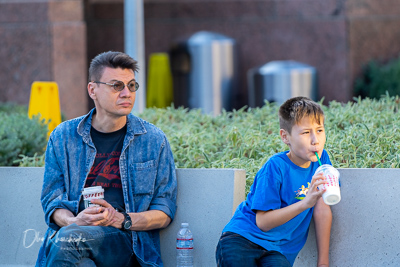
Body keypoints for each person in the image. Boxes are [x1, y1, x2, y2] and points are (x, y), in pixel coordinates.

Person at [36, 51, 177, 267]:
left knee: (69, 240)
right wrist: (75, 221)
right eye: (116, 86)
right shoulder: (63, 137)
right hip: (74, 237)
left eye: (131, 86)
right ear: (93, 89)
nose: (126, 93)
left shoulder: (152, 140)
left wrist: (121, 219)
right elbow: (52, 202)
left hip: (127, 242)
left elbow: (164, 210)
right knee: (71, 242)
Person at [216, 96, 333, 267]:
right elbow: (263, 222)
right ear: (285, 137)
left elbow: (322, 210)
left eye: (320, 130)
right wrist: (305, 203)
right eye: (306, 132)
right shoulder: (274, 167)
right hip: (242, 239)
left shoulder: (322, 160)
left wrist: (323, 263)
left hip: (277, 250)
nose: (315, 140)